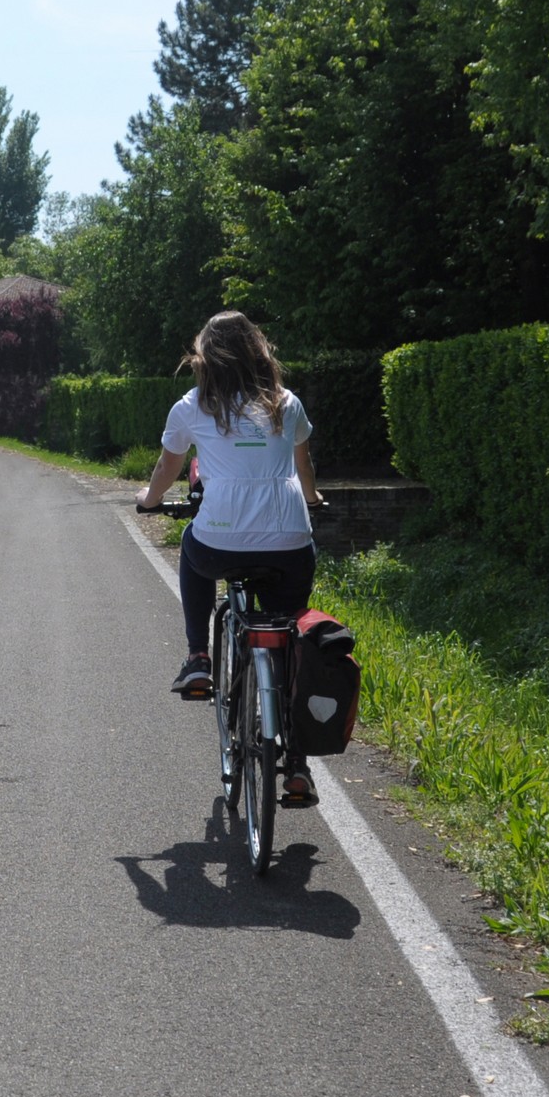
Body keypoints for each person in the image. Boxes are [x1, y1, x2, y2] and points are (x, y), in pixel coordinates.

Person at [136, 310, 324, 800]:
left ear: (205, 357)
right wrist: (313, 498)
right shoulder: (286, 403)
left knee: (192, 552)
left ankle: (199, 655)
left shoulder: (193, 405)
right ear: (260, 351)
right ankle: (298, 765)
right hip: (289, 541)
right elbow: (303, 464)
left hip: (220, 540)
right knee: (288, 631)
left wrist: (149, 501)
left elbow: (167, 466)